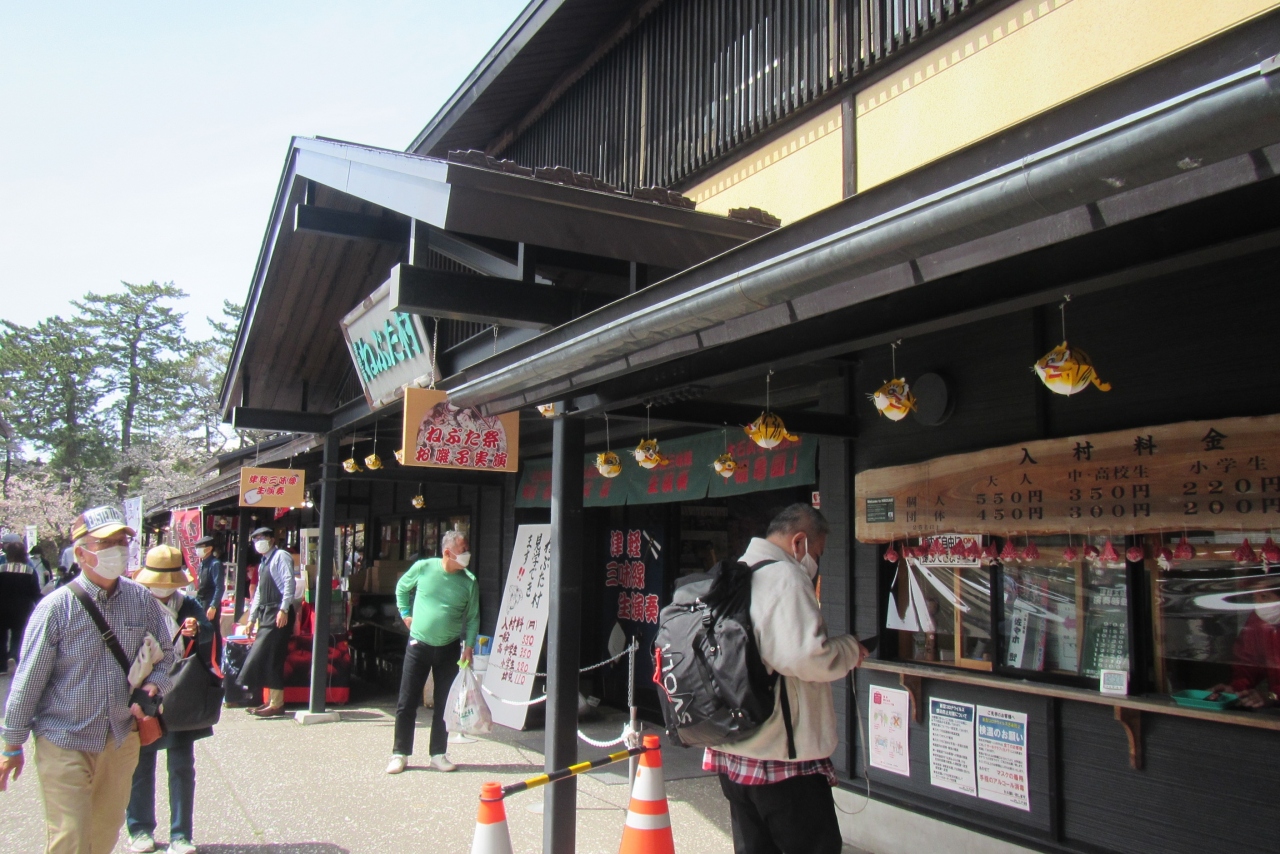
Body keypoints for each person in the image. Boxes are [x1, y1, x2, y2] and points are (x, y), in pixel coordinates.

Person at [0, 505, 176, 854]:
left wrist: (154, 686)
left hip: (120, 738)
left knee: (103, 834)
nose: (117, 550)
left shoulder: (141, 599)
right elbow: (28, 682)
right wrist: (11, 744)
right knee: (71, 837)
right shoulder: (55, 608)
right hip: (64, 738)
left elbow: (167, 656)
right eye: (106, 543)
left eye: (122, 541)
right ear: (81, 553)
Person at [703, 504, 866, 854]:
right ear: (799, 542)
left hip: (732, 751)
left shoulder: (736, 572)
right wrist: (851, 649)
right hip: (781, 758)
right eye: (816, 553)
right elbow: (807, 657)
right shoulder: (786, 577)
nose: (815, 562)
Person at [126, 545, 215, 854]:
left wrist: (198, 630)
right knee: (140, 764)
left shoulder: (188, 604)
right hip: (145, 691)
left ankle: (181, 833)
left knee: (181, 766)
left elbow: (208, 634)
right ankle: (139, 828)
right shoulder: (136, 604)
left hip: (180, 691)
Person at [385, 529, 478, 775]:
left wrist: (469, 646)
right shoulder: (424, 567)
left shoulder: (469, 581)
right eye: (463, 549)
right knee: (407, 701)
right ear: (448, 552)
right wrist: (405, 614)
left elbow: (473, 617)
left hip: (449, 647)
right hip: (419, 644)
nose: (467, 553)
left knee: (444, 704)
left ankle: (438, 754)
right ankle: (400, 753)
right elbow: (402, 588)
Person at [236, 527, 296, 718]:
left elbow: (289, 582)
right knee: (268, 657)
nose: (258, 542)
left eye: (262, 538)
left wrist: (284, 609)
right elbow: (259, 593)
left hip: (278, 612)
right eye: (255, 539)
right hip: (266, 612)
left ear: (271, 539)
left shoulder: (281, 556)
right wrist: (251, 618)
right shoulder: (263, 562)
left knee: (272, 656)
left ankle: (276, 703)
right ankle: (271, 701)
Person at [1209, 576, 1280, 709]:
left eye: (1264, 596)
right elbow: (1248, 660)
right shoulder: (1259, 620)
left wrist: (1273, 696)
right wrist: (1236, 689)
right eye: (1254, 597)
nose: (1258, 603)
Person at [0, 534, 42, 674]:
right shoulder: (29, 571)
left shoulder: (1, 569)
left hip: (2, 607)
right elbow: (35, 592)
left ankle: (1, 666)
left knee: (1, 637)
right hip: (22, 609)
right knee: (18, 635)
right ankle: (13, 656)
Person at [193, 536, 224, 632]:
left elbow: (219, 587)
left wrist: (213, 606)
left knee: (211, 630)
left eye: (200, 547)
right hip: (200, 601)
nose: (197, 549)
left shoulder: (215, 564)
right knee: (201, 630)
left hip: (209, 602)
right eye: (197, 547)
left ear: (209, 548)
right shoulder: (202, 564)